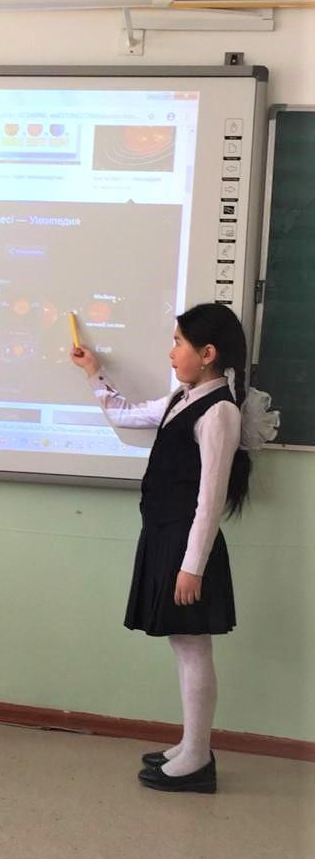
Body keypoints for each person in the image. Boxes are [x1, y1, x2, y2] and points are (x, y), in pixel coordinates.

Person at [71, 303, 278, 793]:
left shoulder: (220, 411)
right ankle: (190, 746)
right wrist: (94, 372)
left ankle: (198, 756)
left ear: (207, 354)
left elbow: (210, 500)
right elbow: (126, 414)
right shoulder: (183, 398)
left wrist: (192, 567)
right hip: (167, 537)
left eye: (178, 343)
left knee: (192, 647)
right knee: (184, 645)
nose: (171, 353)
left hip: (187, 546)